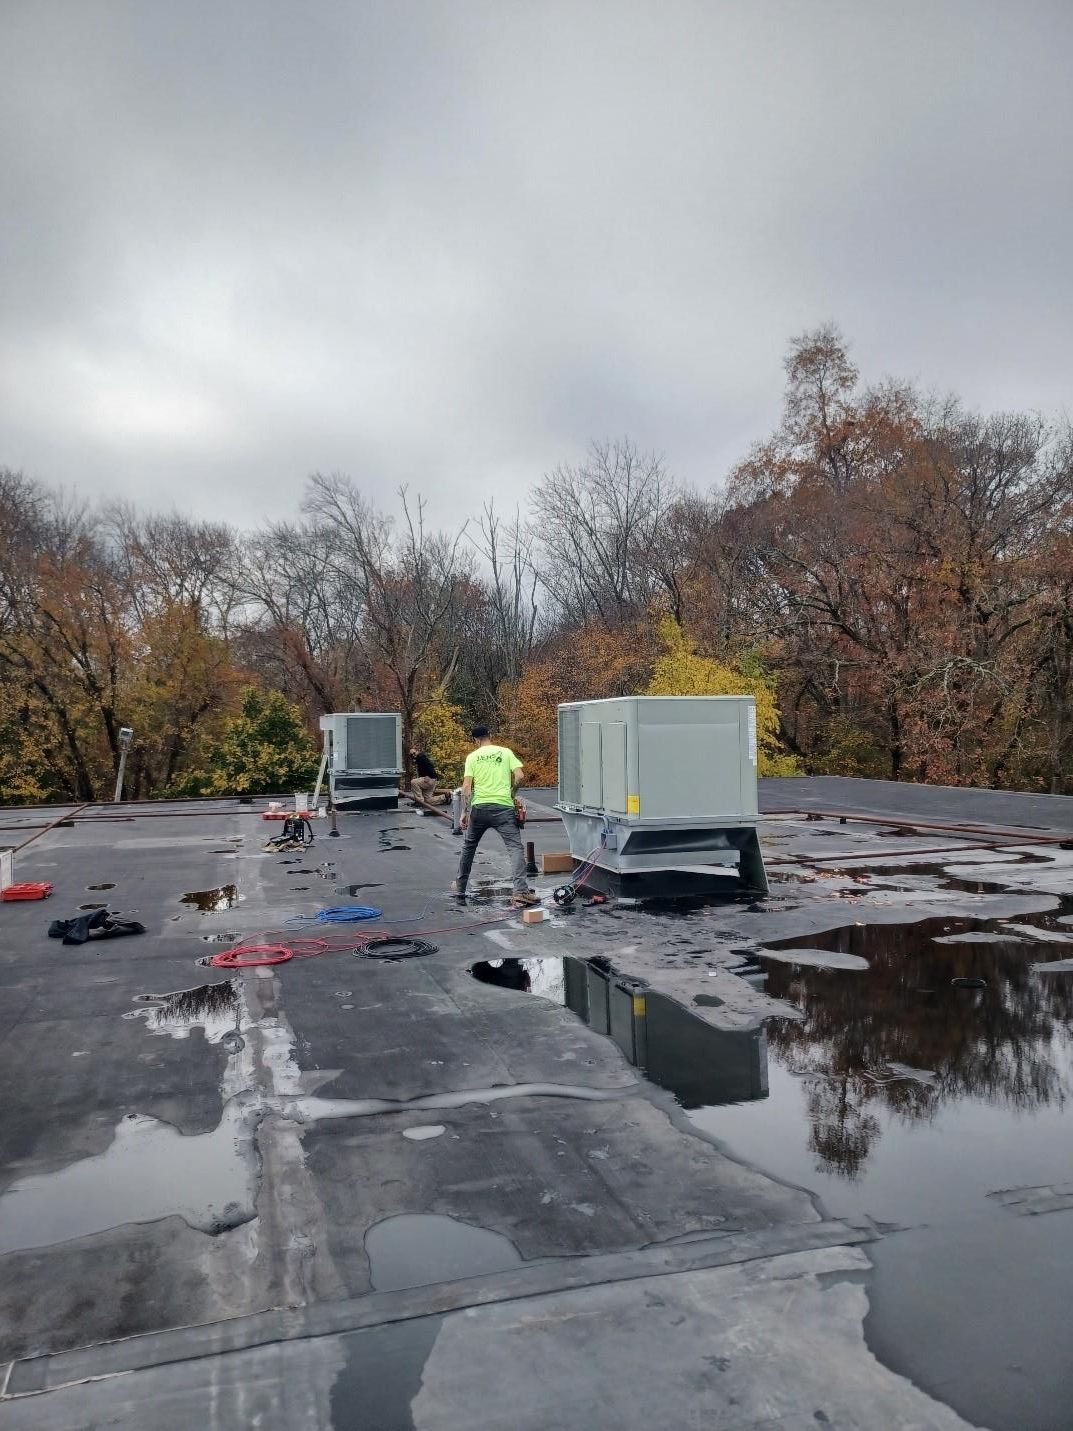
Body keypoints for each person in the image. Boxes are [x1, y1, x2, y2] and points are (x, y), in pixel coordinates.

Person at [453, 725, 538, 907]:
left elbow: (467, 787)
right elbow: (520, 776)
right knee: (515, 848)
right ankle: (521, 892)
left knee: (469, 846)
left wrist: (464, 812)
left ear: (476, 740)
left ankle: (460, 887)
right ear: (489, 736)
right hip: (503, 808)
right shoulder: (506, 752)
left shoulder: (472, 757)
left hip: (480, 808)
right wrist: (512, 793)